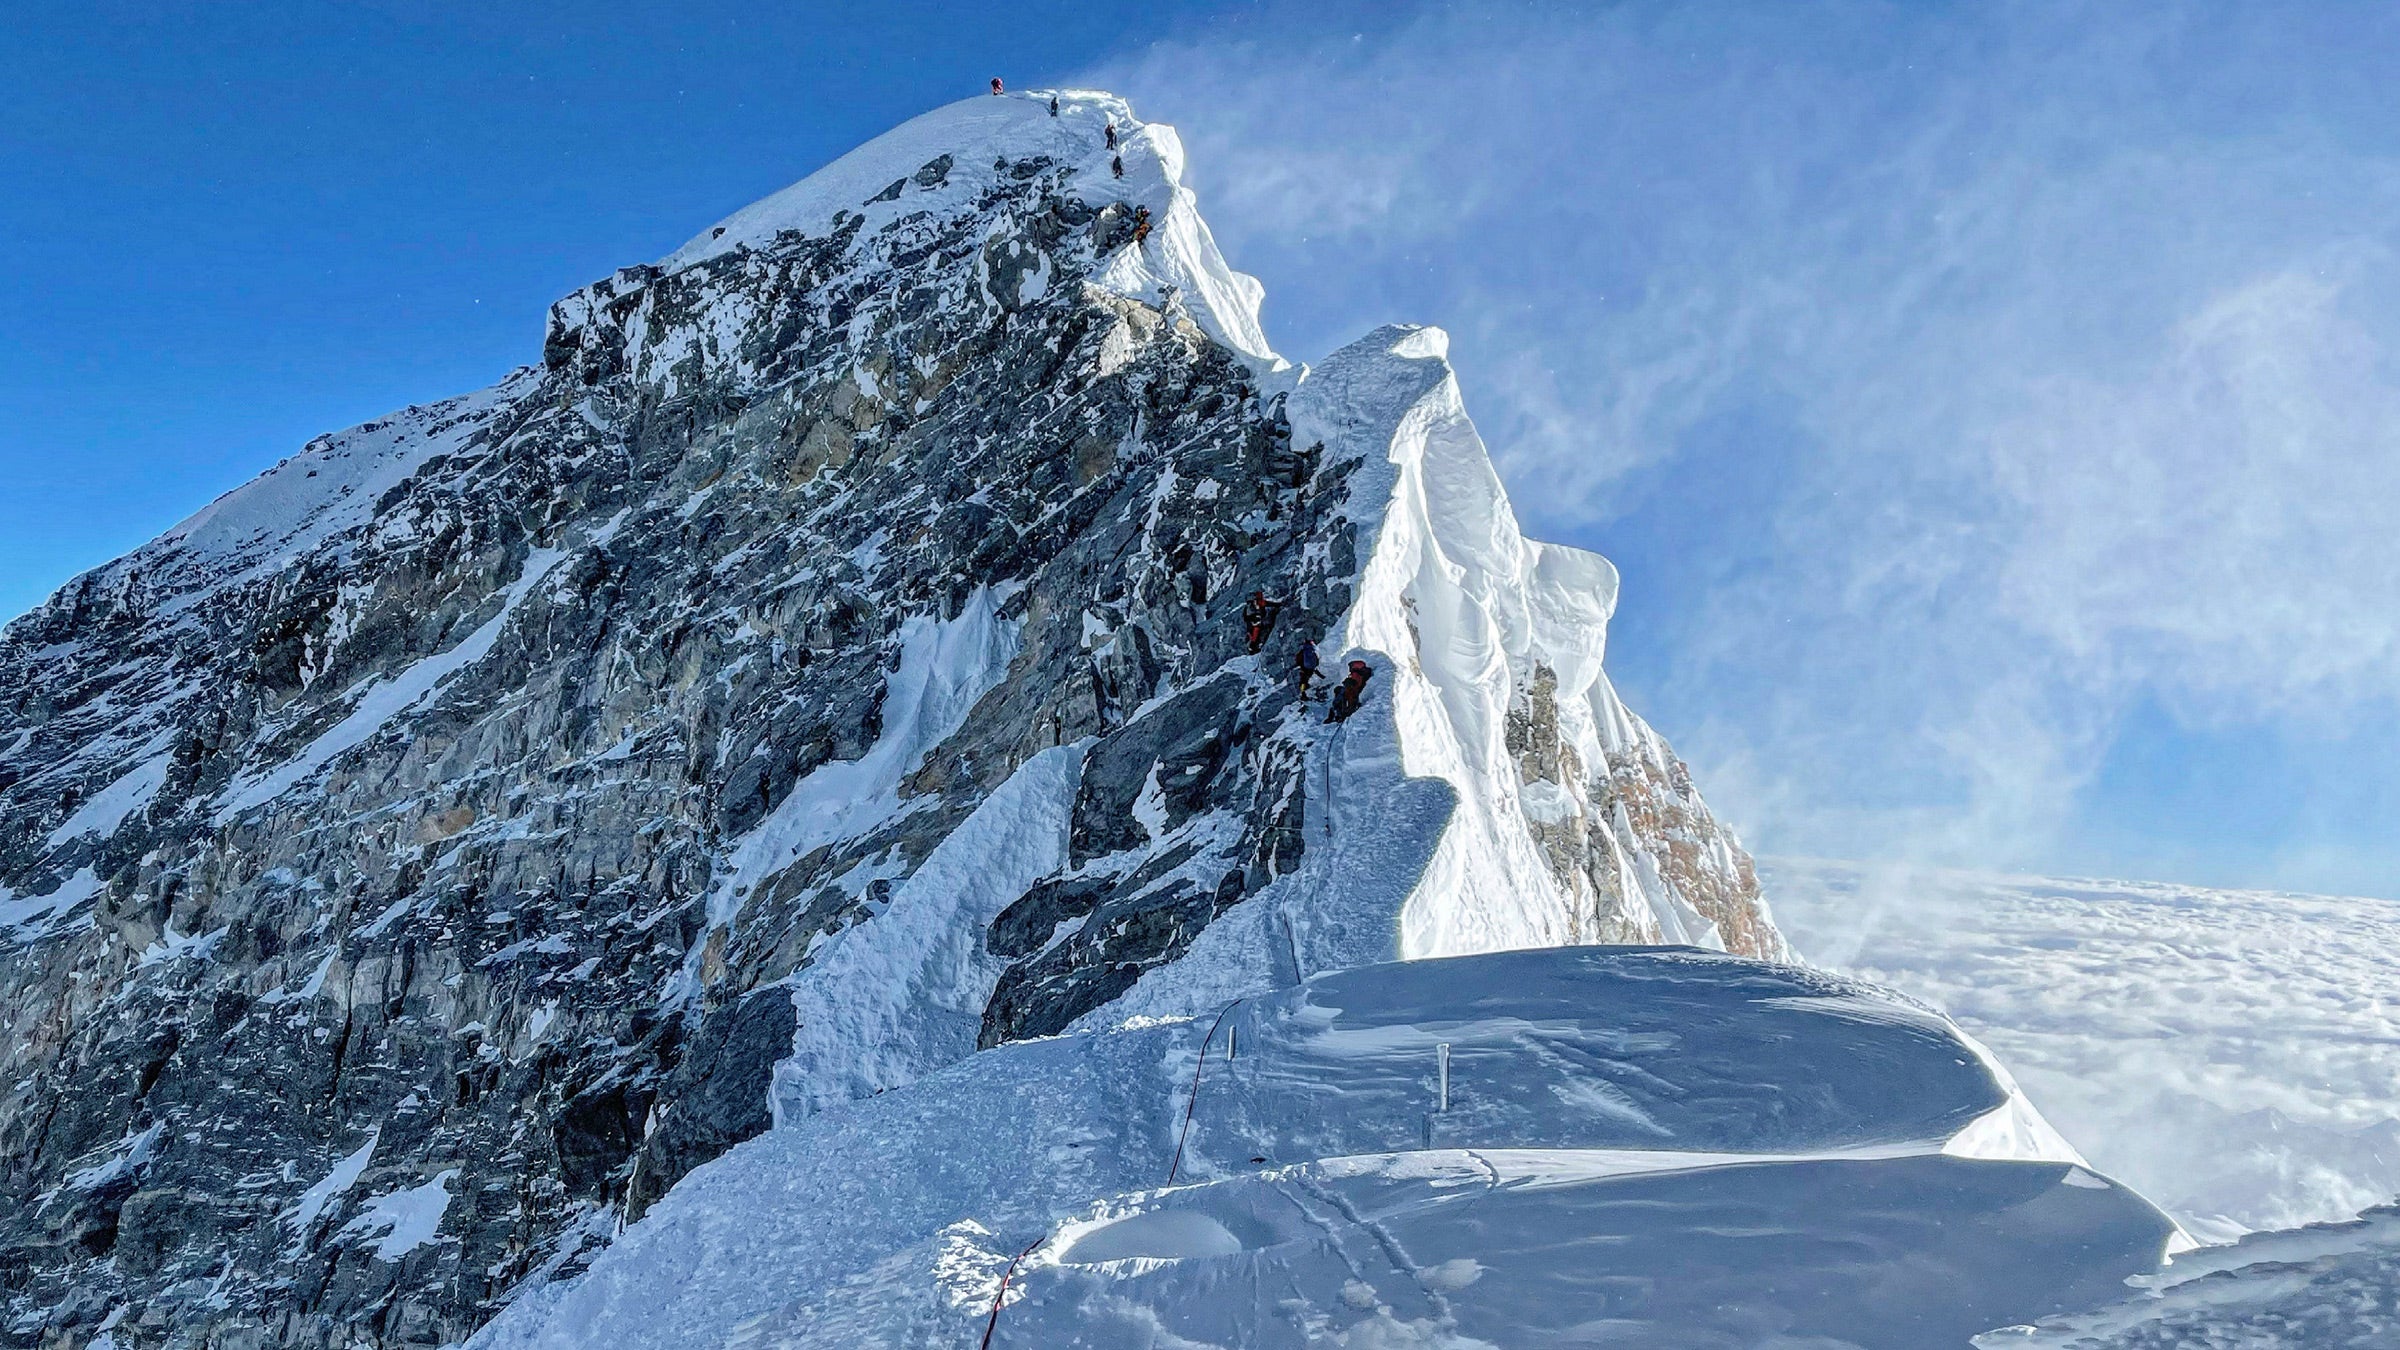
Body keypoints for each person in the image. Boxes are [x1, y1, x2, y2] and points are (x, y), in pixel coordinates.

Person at [1326, 660, 1374, 724]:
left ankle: (1335, 713)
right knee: (1339, 691)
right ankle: (1336, 711)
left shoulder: (1355, 675)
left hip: (1351, 693)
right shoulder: (1362, 673)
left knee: (1338, 695)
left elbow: (1350, 693)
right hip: (1353, 691)